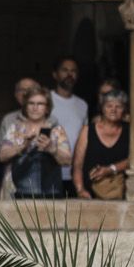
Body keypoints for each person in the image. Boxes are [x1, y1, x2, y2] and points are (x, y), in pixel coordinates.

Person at [0, 85, 72, 198]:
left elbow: (67, 161)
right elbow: (2, 156)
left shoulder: (57, 131)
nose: (35, 107)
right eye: (31, 103)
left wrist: (52, 148)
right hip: (17, 192)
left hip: (50, 193)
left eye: (40, 104)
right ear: (25, 106)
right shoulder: (15, 129)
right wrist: (22, 146)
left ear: (47, 108)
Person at [73, 89, 131, 200]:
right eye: (109, 106)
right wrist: (80, 190)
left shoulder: (130, 131)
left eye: (118, 106)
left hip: (120, 193)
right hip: (90, 193)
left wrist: (111, 169)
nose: (113, 110)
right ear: (102, 108)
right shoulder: (88, 130)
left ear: (124, 110)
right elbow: (77, 164)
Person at [49, 57, 88, 185]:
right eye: (64, 70)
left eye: (73, 71)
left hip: (75, 172)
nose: (69, 74)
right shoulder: (44, 101)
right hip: (49, 171)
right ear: (55, 74)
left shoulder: (82, 105)